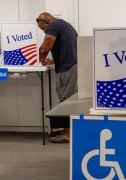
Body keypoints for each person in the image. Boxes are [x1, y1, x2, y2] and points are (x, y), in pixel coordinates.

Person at [36, 12, 78, 143]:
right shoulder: (67, 26)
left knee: (66, 101)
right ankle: (69, 130)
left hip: (66, 70)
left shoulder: (53, 26)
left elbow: (44, 48)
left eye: (43, 28)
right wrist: (53, 61)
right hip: (72, 67)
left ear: (46, 21)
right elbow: (70, 50)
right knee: (69, 100)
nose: (44, 31)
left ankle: (68, 134)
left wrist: (39, 60)